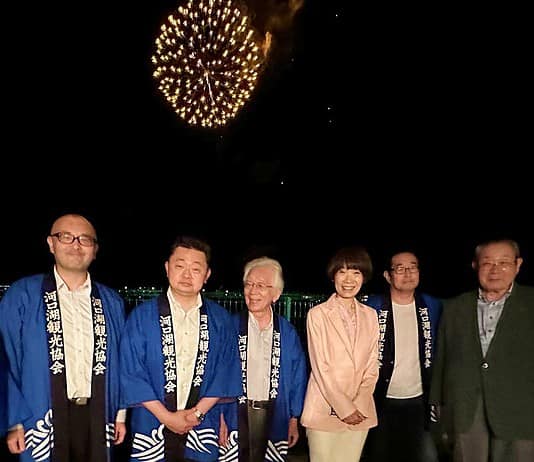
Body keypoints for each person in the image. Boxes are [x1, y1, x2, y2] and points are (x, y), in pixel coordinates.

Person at [0, 213, 127, 462]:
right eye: (66, 237)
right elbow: (7, 358)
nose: (76, 245)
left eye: (85, 239)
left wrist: (120, 414)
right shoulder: (22, 295)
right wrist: (13, 421)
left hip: (98, 411)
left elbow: (123, 362)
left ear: (95, 249)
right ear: (51, 244)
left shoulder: (111, 301)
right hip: (39, 412)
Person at [120, 235, 241, 462]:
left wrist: (197, 413)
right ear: (167, 268)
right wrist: (167, 418)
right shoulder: (141, 317)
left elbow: (226, 372)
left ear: (207, 275)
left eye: (196, 269)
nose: (187, 275)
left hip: (203, 421)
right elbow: (131, 371)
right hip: (152, 420)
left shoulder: (221, 320)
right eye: (180, 266)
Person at [430, 238, 534, 462]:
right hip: (466, 408)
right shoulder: (455, 307)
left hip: (521, 411)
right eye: (487, 263)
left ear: (518, 265)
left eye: (503, 262)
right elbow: (442, 359)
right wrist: (437, 403)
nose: (495, 269)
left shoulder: (530, 302)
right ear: (475, 266)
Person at [218, 257, 308, 461]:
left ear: (276, 294)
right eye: (248, 284)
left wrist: (293, 418)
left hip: (276, 413)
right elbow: (218, 377)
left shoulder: (287, 332)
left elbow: (297, 377)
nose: (252, 291)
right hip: (234, 414)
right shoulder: (229, 327)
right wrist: (219, 417)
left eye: (260, 286)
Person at [361, 250, 442, 462]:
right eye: (400, 268)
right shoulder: (371, 307)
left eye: (413, 267)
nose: (408, 273)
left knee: (424, 455)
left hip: (418, 400)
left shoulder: (432, 306)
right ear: (388, 276)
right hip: (379, 400)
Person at [301, 246, 380, 462]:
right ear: (333, 276)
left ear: (364, 277)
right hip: (323, 409)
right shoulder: (317, 315)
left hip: (361, 412)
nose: (349, 279)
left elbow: (372, 364)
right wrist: (345, 408)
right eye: (342, 272)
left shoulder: (371, 316)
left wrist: (359, 404)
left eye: (356, 272)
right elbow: (321, 367)